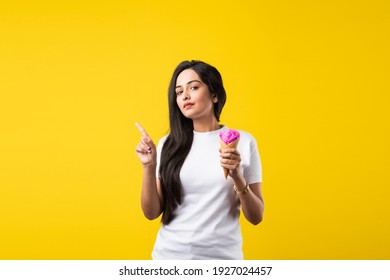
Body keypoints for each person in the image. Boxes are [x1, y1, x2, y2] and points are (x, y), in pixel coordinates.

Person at [135, 60, 264, 260]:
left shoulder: (244, 142)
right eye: (179, 92)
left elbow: (256, 217)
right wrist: (148, 166)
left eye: (193, 87)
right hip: (169, 260)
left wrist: (237, 176)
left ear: (214, 94)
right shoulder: (168, 144)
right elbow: (151, 213)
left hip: (223, 262)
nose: (185, 95)